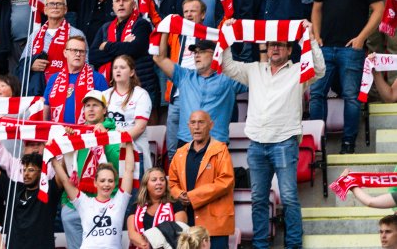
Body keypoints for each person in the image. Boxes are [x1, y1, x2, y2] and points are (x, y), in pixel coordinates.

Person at [220, 22, 326, 249]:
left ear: (289, 50)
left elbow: (320, 70)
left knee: (288, 198)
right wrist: (227, 34)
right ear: (266, 49)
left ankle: (293, 245)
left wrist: (309, 37)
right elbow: (226, 66)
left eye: (280, 45)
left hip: (285, 142)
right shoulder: (254, 69)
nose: (275, 49)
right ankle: (260, 245)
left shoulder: (300, 70)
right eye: (271, 45)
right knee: (258, 199)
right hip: (257, 143)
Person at [309, 0, 383, 153]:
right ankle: (316, 145)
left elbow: (378, 10)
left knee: (351, 96)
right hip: (325, 48)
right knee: (316, 94)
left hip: (352, 49)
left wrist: (361, 38)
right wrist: (317, 35)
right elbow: (316, 8)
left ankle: (348, 143)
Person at [152, 38, 246, 149]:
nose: (196, 55)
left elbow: (257, 76)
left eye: (201, 52)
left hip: (215, 144)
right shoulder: (184, 76)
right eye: (195, 52)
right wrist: (165, 30)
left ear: (214, 54)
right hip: (186, 142)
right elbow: (159, 58)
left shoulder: (229, 79)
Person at [167, 111, 235, 249]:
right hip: (188, 223)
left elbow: (226, 181)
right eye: (193, 123)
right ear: (188, 126)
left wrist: (192, 197)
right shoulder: (180, 152)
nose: (196, 127)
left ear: (211, 125)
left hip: (215, 224)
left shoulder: (220, 150)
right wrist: (180, 194)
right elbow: (172, 183)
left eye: (201, 122)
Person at [52, 141, 136, 249]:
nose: (106, 184)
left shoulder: (120, 201)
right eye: (102, 181)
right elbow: (64, 180)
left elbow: (129, 170)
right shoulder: (84, 202)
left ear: (114, 183)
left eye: (110, 181)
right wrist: (52, 157)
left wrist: (128, 143)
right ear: (95, 183)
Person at [43, 35, 109, 123]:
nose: (78, 54)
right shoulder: (53, 79)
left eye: (82, 51)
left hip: (87, 134)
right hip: (58, 132)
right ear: (65, 53)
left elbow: (107, 110)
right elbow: (46, 112)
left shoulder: (97, 78)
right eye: (74, 50)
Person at [126, 167, 187, 249]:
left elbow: (180, 232)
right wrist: (147, 246)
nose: (159, 183)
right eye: (154, 180)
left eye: (162, 180)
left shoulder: (175, 204)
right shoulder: (136, 206)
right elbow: (132, 234)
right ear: (146, 185)